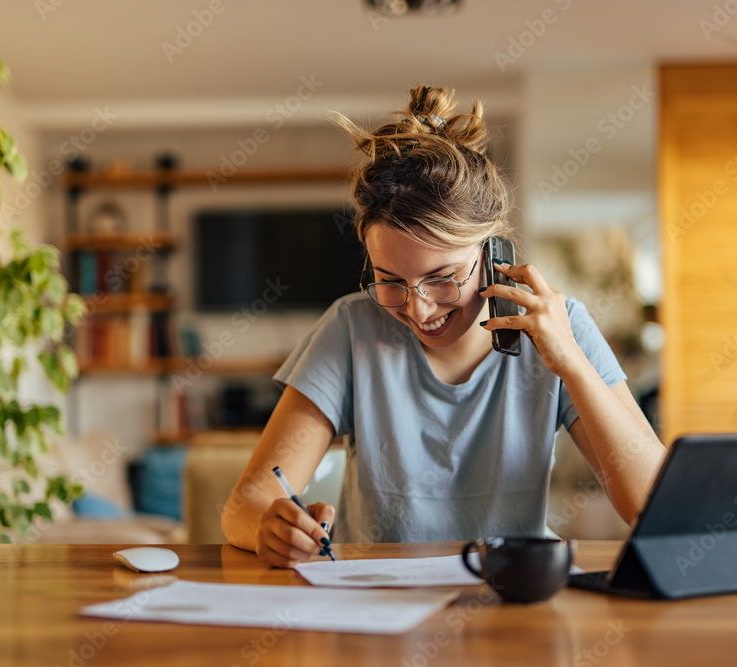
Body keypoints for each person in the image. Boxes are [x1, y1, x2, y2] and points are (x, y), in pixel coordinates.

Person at [221, 85, 665, 568]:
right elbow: (246, 503)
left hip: (510, 600)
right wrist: (271, 525)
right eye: (391, 282)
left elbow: (651, 508)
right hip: (380, 604)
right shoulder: (351, 329)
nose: (419, 309)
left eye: (443, 278)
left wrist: (572, 365)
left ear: (494, 255)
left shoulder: (563, 328)